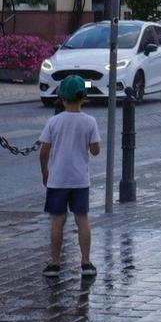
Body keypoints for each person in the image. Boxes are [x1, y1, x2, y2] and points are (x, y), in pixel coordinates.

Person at [39, 75, 102, 278]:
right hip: (80, 179)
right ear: (84, 97)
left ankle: (55, 263)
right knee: (82, 219)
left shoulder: (54, 122)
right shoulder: (90, 122)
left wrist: (45, 171)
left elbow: (44, 151)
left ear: (62, 98)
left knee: (58, 220)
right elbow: (95, 151)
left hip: (58, 179)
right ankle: (86, 262)